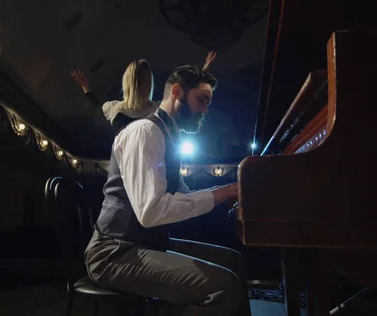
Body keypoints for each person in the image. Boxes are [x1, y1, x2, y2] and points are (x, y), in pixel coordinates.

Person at [84, 65, 251, 316]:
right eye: (201, 99)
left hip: (146, 244)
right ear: (176, 92)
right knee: (223, 287)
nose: (205, 109)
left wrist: (225, 192)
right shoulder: (145, 131)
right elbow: (150, 212)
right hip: (113, 254)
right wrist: (218, 194)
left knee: (233, 260)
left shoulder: (168, 136)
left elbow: (182, 196)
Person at [71, 51, 217, 131]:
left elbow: (95, 108)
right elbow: (184, 95)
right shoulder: (157, 109)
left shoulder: (114, 108)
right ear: (150, 84)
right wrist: (202, 73)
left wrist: (86, 87)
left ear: (125, 82)